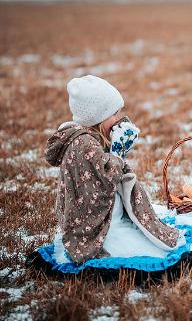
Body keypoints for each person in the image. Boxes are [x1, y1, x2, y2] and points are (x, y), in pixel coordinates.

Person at [45, 75, 180, 263]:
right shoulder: (84, 144)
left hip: (109, 218)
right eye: (113, 115)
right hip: (101, 229)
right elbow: (105, 180)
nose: (116, 119)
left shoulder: (88, 139)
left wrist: (117, 149)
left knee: (148, 238)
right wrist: (118, 153)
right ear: (98, 117)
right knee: (148, 249)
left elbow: (99, 170)